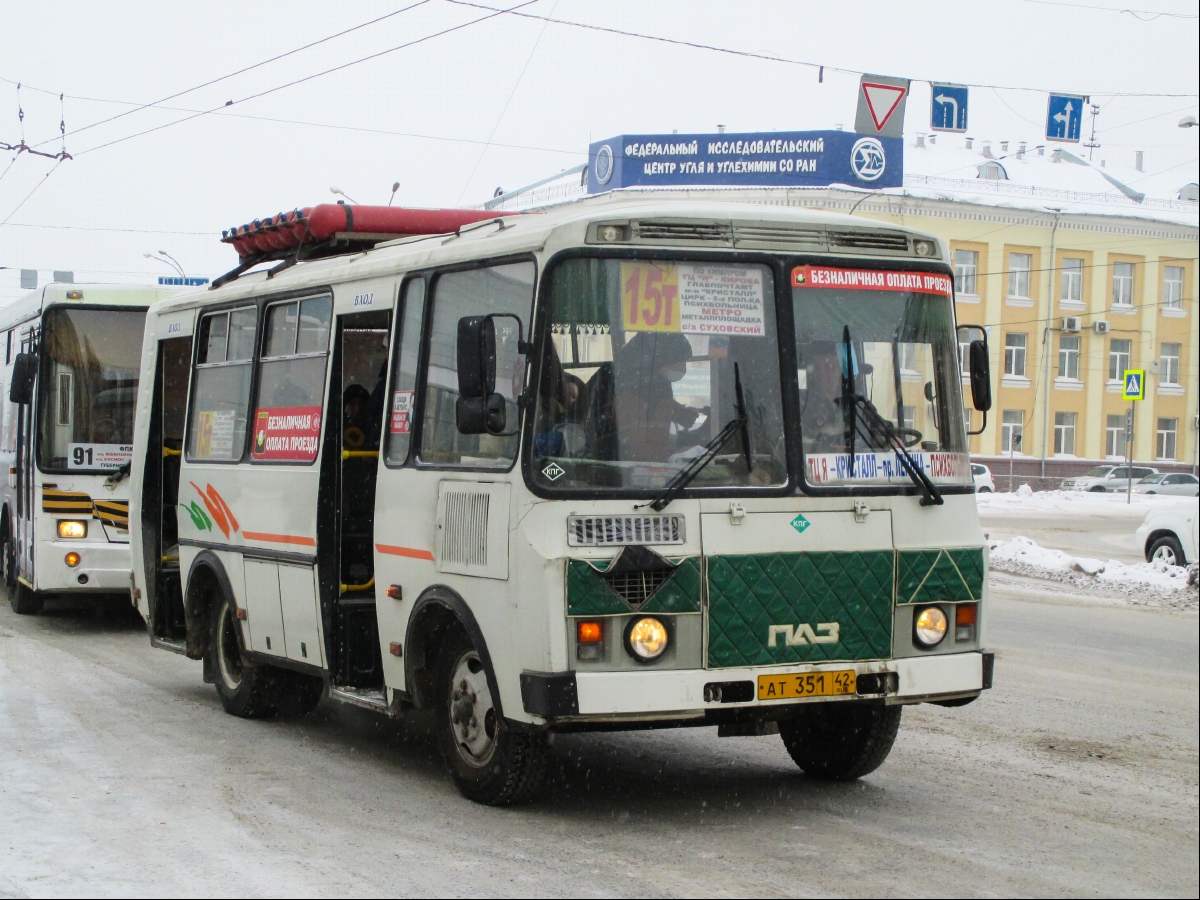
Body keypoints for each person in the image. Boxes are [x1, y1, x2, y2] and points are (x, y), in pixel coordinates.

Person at [607, 331, 701, 461]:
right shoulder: (631, 397)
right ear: (658, 360)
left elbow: (662, 417)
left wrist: (681, 413)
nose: (682, 369)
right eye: (678, 362)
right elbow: (636, 451)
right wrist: (676, 453)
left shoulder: (657, 386)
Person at [799, 343, 850, 453]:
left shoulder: (857, 404)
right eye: (818, 368)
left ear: (840, 371)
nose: (823, 373)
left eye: (830, 367)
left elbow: (879, 429)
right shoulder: (801, 406)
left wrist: (889, 439)